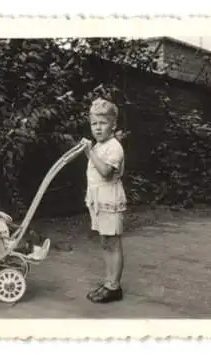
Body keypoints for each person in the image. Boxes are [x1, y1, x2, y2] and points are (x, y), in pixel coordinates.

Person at [80, 98, 127, 303]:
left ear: (113, 125)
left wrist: (89, 152)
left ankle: (114, 286)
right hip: (98, 201)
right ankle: (108, 281)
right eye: (94, 124)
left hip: (110, 199)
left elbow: (106, 172)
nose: (98, 128)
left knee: (113, 242)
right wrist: (91, 151)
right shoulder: (99, 146)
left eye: (103, 123)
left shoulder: (113, 147)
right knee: (105, 241)